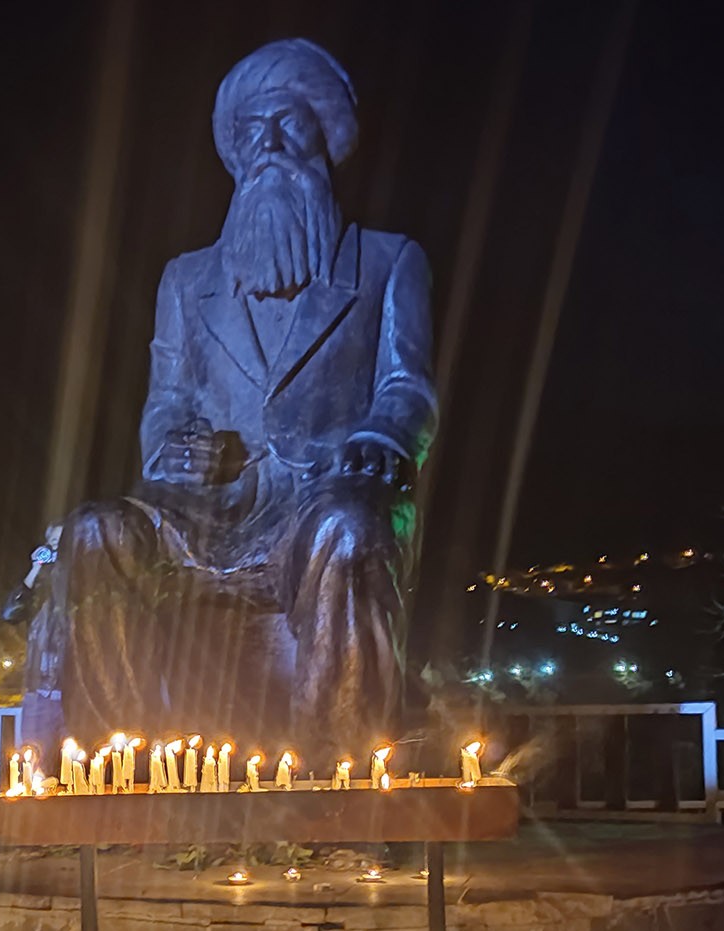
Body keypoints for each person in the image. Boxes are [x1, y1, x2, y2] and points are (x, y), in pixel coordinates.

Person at [22, 39, 434, 758]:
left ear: (323, 137)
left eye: (288, 123)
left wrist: (383, 438)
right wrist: (172, 442)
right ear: (234, 151)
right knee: (96, 532)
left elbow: (407, 385)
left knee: (347, 529)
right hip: (207, 510)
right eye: (251, 130)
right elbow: (166, 398)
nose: (269, 143)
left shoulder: (388, 260)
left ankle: (334, 783)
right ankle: (120, 773)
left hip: (323, 496)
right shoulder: (185, 280)